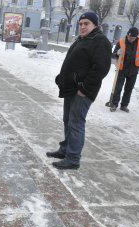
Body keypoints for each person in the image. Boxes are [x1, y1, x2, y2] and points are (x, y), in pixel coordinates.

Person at [47, 11, 111, 170]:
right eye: (81, 24)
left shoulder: (100, 41)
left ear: (95, 25)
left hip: (82, 92)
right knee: (67, 120)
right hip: (71, 89)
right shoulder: (83, 39)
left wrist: (84, 88)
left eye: (86, 23)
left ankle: (73, 158)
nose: (82, 26)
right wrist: (62, 78)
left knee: (76, 123)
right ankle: (65, 150)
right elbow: (74, 63)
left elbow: (101, 69)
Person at [109, 27, 139, 112]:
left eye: (133, 38)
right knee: (118, 88)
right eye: (130, 37)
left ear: (137, 36)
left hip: (134, 69)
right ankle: (114, 104)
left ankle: (124, 105)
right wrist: (117, 53)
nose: (131, 39)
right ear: (127, 35)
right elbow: (113, 54)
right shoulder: (121, 41)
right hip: (122, 69)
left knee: (129, 89)